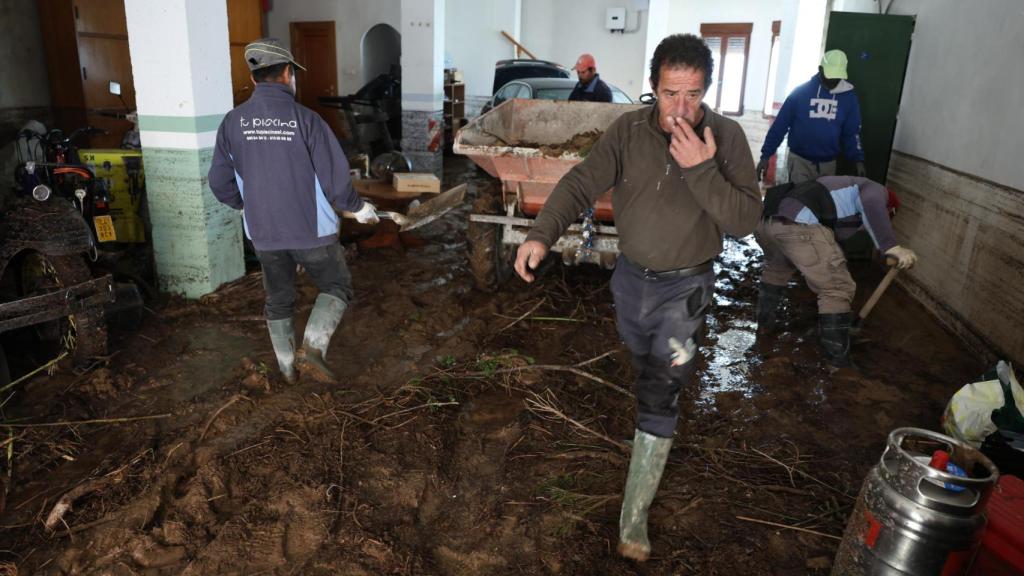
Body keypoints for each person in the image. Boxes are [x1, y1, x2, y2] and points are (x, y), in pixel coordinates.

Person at [514, 34, 762, 561]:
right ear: (653, 87)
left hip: (686, 288)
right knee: (640, 357)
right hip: (630, 281)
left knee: (661, 389)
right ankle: (648, 428)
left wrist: (701, 167)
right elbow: (582, 182)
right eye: (671, 93)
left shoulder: (727, 137)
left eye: (693, 95)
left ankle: (634, 520)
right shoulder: (627, 131)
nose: (681, 109)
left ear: (706, 92)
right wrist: (541, 232)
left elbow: (743, 223)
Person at [208, 38, 379, 384]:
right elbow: (334, 178)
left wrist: (244, 206)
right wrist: (357, 208)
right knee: (335, 285)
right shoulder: (308, 120)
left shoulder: (232, 122)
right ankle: (312, 350)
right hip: (311, 231)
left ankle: (288, 373)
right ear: (288, 74)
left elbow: (218, 180)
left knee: (279, 297)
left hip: (264, 233)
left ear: (255, 79)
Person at [754, 175, 917, 367]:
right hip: (798, 225)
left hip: (766, 223)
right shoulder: (876, 190)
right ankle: (837, 360)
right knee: (837, 287)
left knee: (777, 269)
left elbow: (831, 242)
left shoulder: (840, 194)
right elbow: (872, 205)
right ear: (889, 208)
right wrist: (891, 247)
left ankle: (765, 326)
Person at [757, 49, 866, 185]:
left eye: (837, 78)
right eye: (829, 76)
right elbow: (779, 126)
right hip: (799, 162)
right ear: (820, 69)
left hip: (828, 165)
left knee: (821, 204)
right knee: (798, 202)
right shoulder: (800, 93)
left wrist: (858, 160)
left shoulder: (848, 98)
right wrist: (765, 156)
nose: (832, 81)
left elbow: (851, 133)